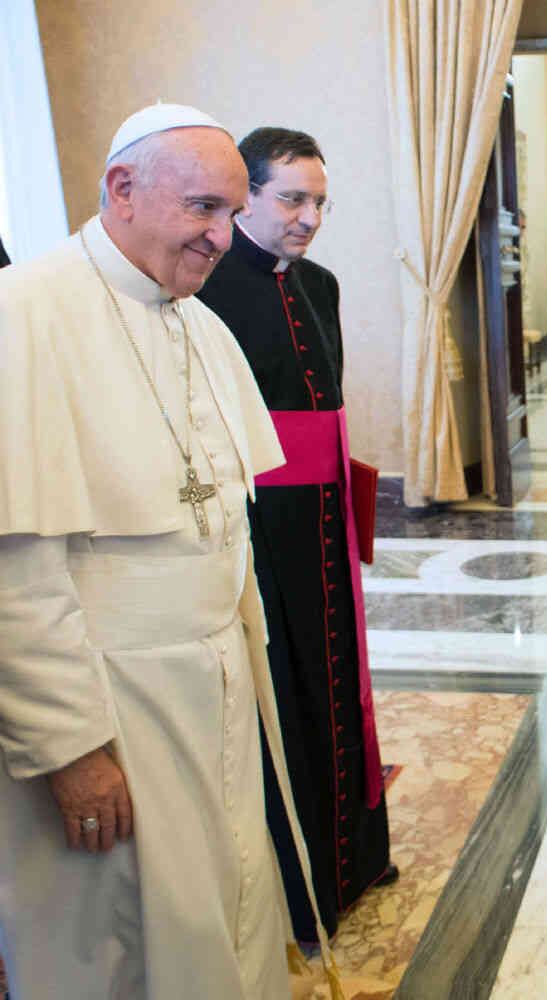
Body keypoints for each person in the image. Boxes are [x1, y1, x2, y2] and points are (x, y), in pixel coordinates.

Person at [0, 104, 331, 998]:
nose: (225, 237)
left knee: (227, 903)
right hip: (110, 699)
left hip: (210, 683)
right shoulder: (23, 315)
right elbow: (15, 573)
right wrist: (70, 749)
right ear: (122, 189)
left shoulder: (193, 319)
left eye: (231, 212)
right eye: (204, 209)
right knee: (121, 941)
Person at [196, 126, 394, 943]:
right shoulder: (206, 287)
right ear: (247, 196)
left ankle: (355, 859)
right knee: (283, 692)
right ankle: (301, 881)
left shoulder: (323, 284)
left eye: (320, 202)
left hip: (321, 522)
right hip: (258, 529)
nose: (309, 218)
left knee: (341, 680)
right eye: (292, 200)